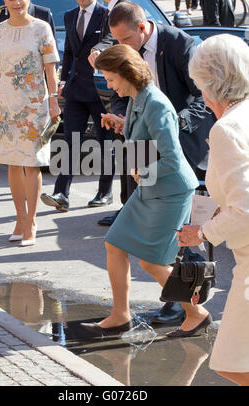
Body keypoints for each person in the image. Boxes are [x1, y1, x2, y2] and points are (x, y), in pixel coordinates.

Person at [81, 44, 212, 338]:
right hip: (152, 188)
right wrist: (123, 124)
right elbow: (146, 131)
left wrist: (142, 172)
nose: (110, 86)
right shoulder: (138, 96)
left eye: (112, 79)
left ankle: (197, 313)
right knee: (114, 243)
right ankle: (119, 315)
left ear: (127, 74)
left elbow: (172, 158)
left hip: (170, 191)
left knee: (152, 262)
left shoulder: (156, 102)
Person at [108, 1, 215, 325]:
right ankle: (136, 311)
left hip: (183, 157)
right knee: (130, 245)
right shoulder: (135, 84)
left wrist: (175, 123)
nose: (122, 48)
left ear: (142, 29)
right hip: (151, 165)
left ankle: (190, 306)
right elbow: (129, 102)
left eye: (124, 41)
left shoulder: (180, 45)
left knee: (176, 246)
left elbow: (204, 98)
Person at [177, 34, 249, 385]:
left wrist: (201, 232)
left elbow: (248, 209)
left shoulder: (227, 129)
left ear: (210, 86)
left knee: (232, 361)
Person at [0, 0, 60, 247]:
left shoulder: (41, 29)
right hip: (6, 105)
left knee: (31, 162)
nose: (17, 3)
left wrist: (53, 101)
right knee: (13, 164)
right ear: (4, 1)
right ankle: (19, 217)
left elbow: (51, 69)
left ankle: (32, 222)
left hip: (34, 106)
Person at [40, 0, 114, 213]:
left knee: (105, 144)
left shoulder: (106, 16)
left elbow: (112, 41)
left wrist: (100, 49)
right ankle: (62, 193)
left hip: (100, 90)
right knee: (71, 142)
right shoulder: (70, 16)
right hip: (75, 89)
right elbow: (70, 53)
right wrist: (63, 81)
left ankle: (105, 192)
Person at [88, 0, 132, 227]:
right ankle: (128, 208)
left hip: (126, 91)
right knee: (128, 151)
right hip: (123, 89)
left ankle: (129, 210)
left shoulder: (119, 9)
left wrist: (99, 50)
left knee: (131, 152)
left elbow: (112, 40)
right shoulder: (124, 4)